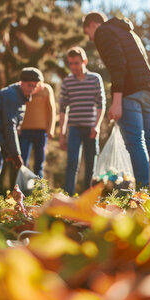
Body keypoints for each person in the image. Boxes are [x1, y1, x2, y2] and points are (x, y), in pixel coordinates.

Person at [82, 11, 150, 188]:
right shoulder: (126, 31)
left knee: (135, 142)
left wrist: (117, 101)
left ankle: (142, 192)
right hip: (149, 89)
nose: (90, 38)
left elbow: (117, 64)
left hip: (131, 92)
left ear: (92, 25)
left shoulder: (103, 32)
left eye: (87, 33)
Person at [58, 47, 106, 195]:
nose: (73, 67)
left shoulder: (95, 79)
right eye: (71, 63)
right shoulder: (67, 82)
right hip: (74, 129)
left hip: (91, 128)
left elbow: (101, 104)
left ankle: (87, 198)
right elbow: (62, 109)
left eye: (76, 63)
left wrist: (96, 126)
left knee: (91, 164)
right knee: (72, 163)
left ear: (84, 61)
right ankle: (68, 196)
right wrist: (62, 133)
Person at [18, 82, 56, 178]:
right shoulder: (22, 88)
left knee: (39, 164)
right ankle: (21, 189)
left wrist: (50, 129)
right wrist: (17, 127)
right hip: (24, 132)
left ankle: (39, 189)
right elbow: (16, 108)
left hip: (41, 132)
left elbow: (52, 109)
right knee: (22, 162)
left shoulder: (46, 89)